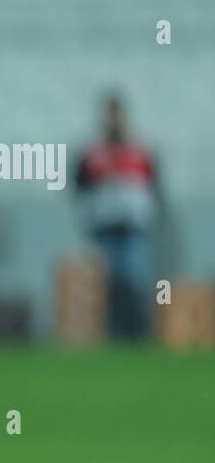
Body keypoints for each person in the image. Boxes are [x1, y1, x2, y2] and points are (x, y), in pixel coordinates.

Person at [74, 95, 162, 340]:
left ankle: (138, 333)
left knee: (135, 280)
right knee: (105, 286)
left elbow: (154, 185)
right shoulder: (92, 150)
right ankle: (110, 334)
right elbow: (78, 185)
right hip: (103, 226)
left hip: (133, 227)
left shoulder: (141, 148)